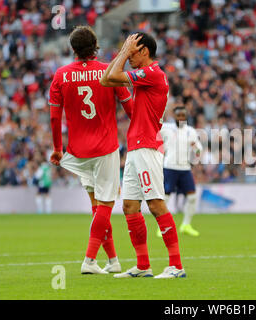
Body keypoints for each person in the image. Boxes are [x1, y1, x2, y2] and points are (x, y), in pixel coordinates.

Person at [100, 33, 185, 279]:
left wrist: (123, 53)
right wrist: (125, 51)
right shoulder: (143, 78)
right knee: (129, 206)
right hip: (136, 148)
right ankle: (143, 265)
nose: (130, 58)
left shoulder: (153, 73)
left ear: (144, 51)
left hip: (147, 147)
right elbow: (107, 79)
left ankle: (176, 266)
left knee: (156, 204)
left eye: (133, 53)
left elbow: (111, 77)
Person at [49, 26, 133, 275]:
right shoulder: (110, 71)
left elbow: (55, 118)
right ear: (95, 45)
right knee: (106, 205)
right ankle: (89, 260)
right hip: (105, 148)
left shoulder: (61, 75)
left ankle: (113, 260)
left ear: (72, 48)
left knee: (97, 207)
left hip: (77, 152)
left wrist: (57, 149)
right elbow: (129, 106)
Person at [157, 106, 202, 237]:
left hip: (185, 168)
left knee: (192, 197)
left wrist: (196, 149)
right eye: (179, 115)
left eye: (183, 115)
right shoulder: (166, 128)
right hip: (169, 167)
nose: (181, 118)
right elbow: (154, 136)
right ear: (174, 116)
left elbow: (199, 150)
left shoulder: (191, 131)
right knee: (165, 198)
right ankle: (162, 227)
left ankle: (186, 225)